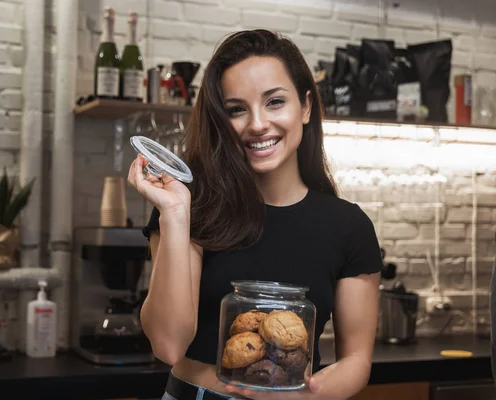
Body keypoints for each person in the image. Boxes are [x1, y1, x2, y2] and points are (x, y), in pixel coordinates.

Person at [128, 29, 382, 400]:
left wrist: (300, 397)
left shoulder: (348, 226)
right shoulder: (193, 207)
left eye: (275, 102)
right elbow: (167, 345)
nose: (258, 124)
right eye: (236, 109)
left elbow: (357, 360)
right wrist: (174, 215)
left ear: (306, 106)